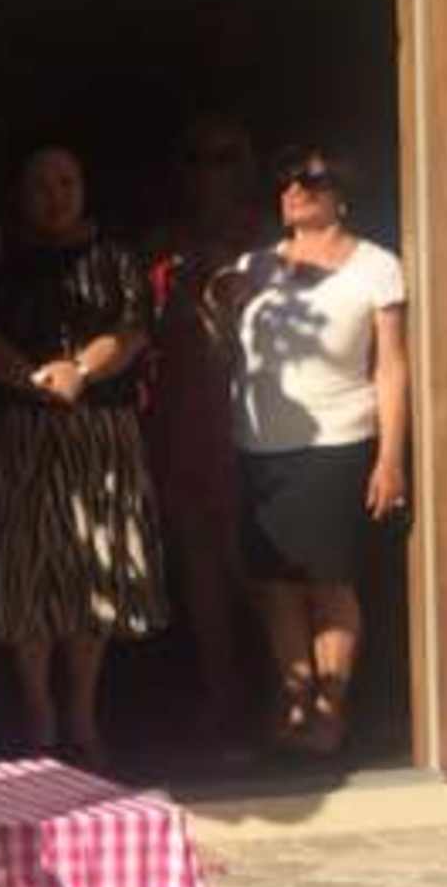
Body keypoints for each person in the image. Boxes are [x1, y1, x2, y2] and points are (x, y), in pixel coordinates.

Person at [0, 144, 166, 762]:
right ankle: (38, 711)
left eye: (68, 182)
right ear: (21, 193)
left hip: (95, 431)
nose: (56, 196)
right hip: (14, 432)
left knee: (91, 569)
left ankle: (82, 712)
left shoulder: (115, 257)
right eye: (42, 185)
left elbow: (131, 331)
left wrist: (79, 372)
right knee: (25, 571)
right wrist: (30, 380)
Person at [224, 144, 410, 758]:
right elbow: (229, 349)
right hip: (260, 445)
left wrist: (391, 458)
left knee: (330, 582)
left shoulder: (376, 266)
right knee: (275, 584)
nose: (295, 190)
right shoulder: (253, 265)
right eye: (286, 180)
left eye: (311, 179)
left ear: (341, 193)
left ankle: (332, 706)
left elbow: (391, 367)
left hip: (337, 440)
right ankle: (295, 699)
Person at [146, 108, 267, 755]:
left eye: (224, 157)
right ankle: (222, 698)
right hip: (185, 418)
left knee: (256, 564)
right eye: (195, 157)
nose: (208, 171)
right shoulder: (161, 247)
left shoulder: (272, 240)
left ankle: (281, 693)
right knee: (199, 565)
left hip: (261, 422)